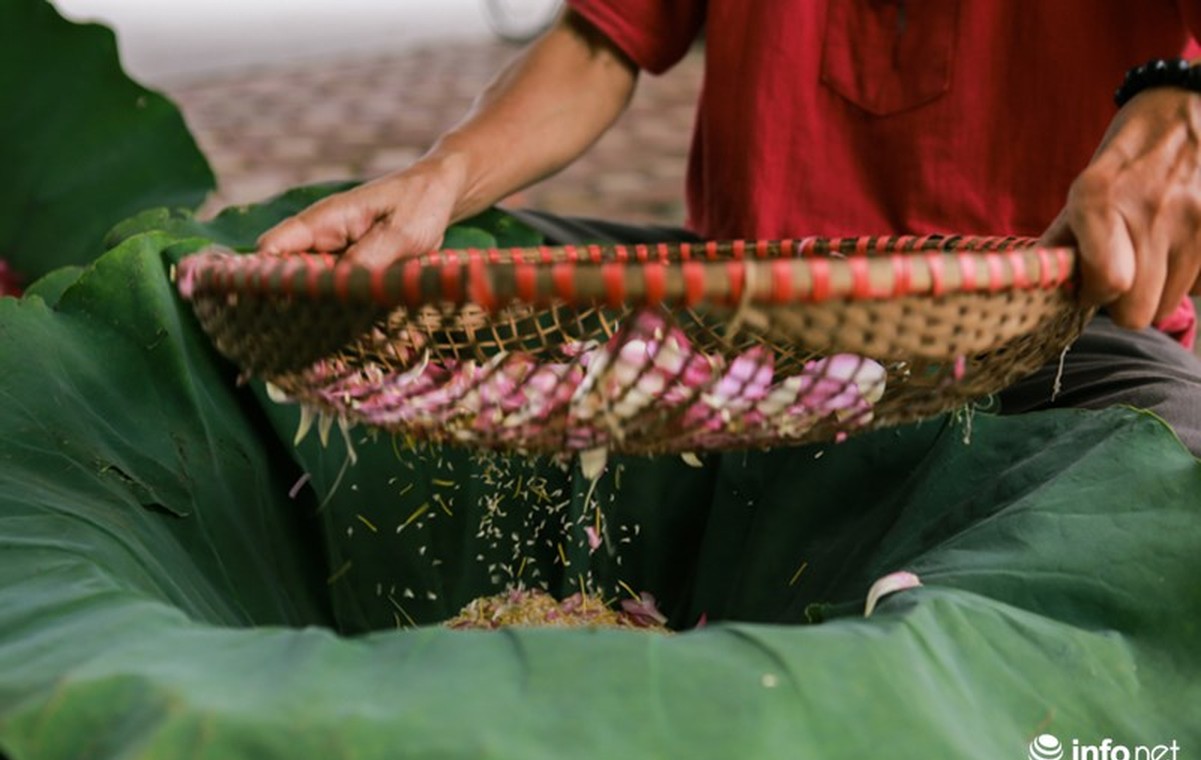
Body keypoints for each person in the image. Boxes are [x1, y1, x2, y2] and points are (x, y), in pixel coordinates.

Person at [258, 1, 1201, 453]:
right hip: (738, 331)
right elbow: (601, 37)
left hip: (1053, 338)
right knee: (409, 288)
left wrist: (1184, 103)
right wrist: (444, 174)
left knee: (1171, 496)